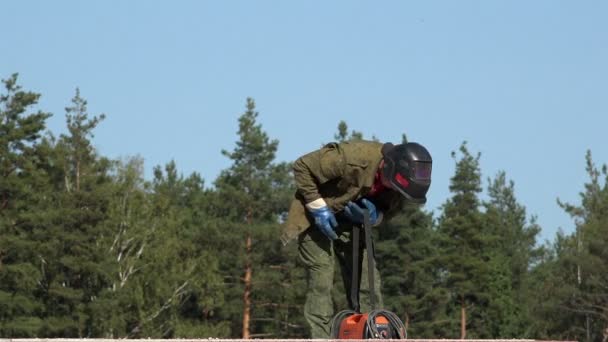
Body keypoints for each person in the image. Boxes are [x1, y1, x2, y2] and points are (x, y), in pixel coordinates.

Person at [280, 139, 432, 338]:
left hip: (352, 221)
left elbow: (391, 209)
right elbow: (302, 166)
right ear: (388, 167)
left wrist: (375, 215)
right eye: (394, 186)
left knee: (367, 276)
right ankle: (320, 336)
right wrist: (318, 208)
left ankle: (372, 332)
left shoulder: (401, 184)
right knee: (322, 275)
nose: (395, 191)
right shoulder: (354, 158)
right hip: (314, 217)